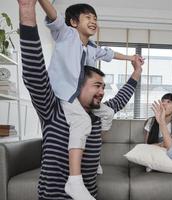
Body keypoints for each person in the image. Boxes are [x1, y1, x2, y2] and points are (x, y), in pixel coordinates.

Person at [18, 0, 143, 199]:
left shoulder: (92, 52)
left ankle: (82, 174)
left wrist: (135, 67)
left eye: (103, 87)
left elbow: (119, 96)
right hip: (55, 195)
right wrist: (27, 9)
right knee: (83, 121)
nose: (102, 91)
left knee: (106, 113)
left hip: (89, 195)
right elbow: (35, 74)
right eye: (96, 86)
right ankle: (73, 181)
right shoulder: (53, 109)